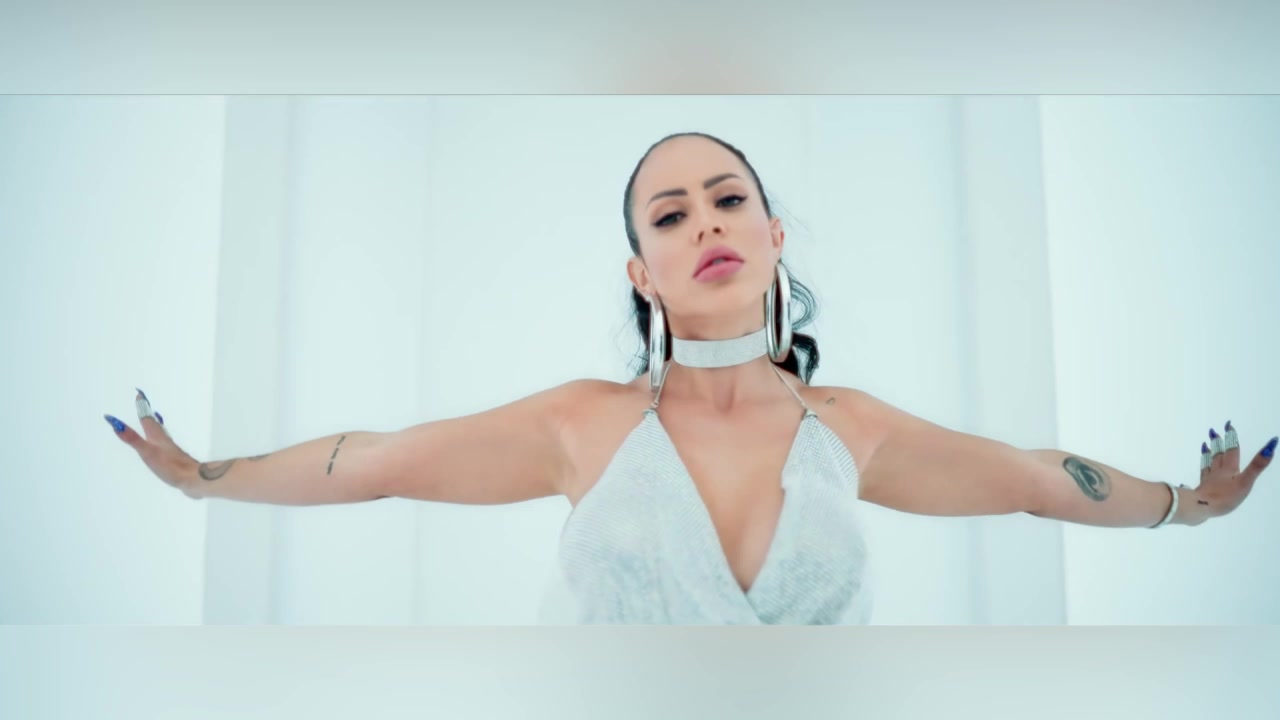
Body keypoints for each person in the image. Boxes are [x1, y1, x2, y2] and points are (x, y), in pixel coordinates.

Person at [105, 131, 1279, 624]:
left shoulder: (848, 426)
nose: (705, 221)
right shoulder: (580, 424)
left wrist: (1188, 505)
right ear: (642, 271)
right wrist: (204, 478)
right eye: (670, 215)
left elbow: (1033, 479)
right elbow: (372, 464)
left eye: (727, 200)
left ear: (773, 235)